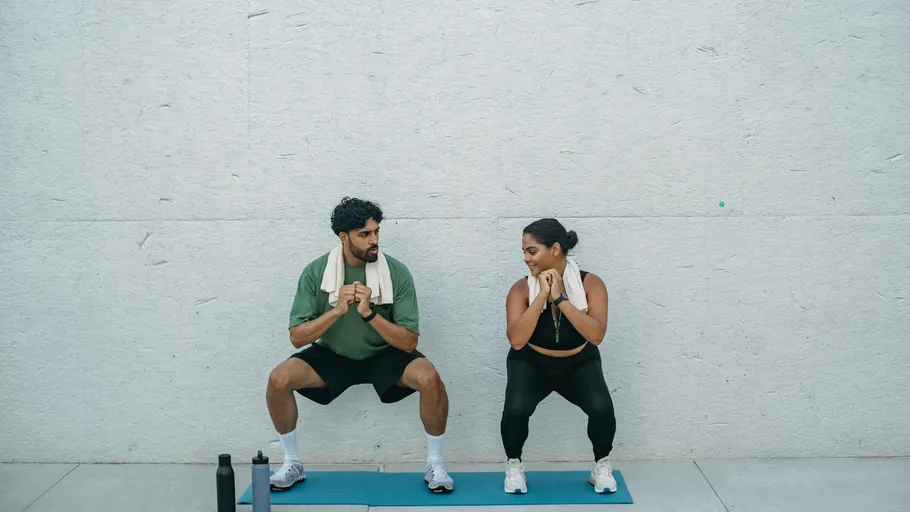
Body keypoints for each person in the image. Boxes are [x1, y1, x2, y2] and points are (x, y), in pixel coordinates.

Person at [266, 197, 454, 493]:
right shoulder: (316, 272)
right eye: (364, 234)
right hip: (334, 354)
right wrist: (337, 311)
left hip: (384, 353)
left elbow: (408, 342)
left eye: (376, 232)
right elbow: (297, 337)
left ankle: (436, 465)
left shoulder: (397, 272)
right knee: (278, 379)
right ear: (344, 237)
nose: (374, 240)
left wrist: (369, 314)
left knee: (430, 380)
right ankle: (292, 463)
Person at [500, 218, 617, 494]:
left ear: (554, 249)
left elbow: (596, 336)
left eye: (532, 251)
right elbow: (517, 340)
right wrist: (542, 295)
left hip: (579, 361)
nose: (526, 258)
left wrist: (561, 298)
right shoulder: (520, 289)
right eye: (524, 252)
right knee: (516, 409)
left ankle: (601, 465)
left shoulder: (591, 284)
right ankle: (514, 465)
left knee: (601, 407)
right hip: (531, 361)